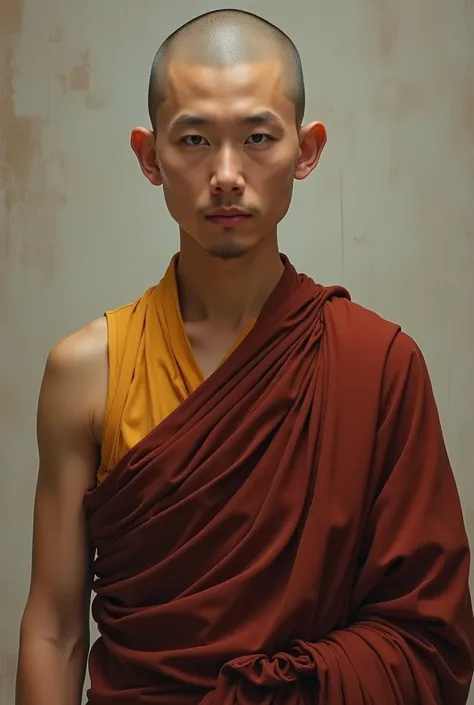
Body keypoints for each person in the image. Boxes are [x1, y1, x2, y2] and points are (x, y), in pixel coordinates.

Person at [16, 8, 474, 705]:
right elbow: (54, 629)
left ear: (306, 149)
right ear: (149, 156)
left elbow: (429, 636)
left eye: (258, 137)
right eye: (194, 139)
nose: (226, 174)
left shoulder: (377, 364)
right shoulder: (87, 371)